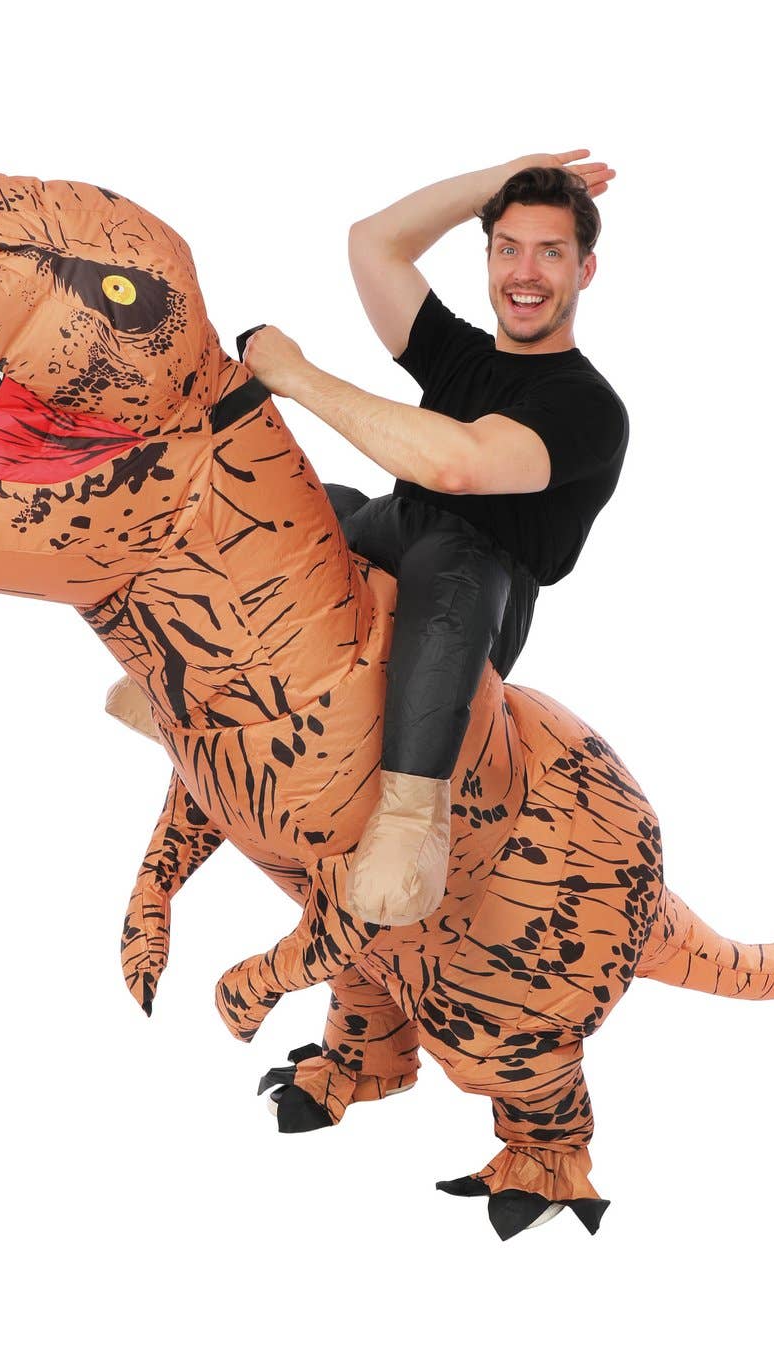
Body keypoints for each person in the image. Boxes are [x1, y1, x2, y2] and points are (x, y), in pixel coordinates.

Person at [242, 150, 628, 927]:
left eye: (550, 253)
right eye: (508, 249)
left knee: (454, 555)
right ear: (487, 261)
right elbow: (372, 244)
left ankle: (411, 821)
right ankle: (208, 679)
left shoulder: (589, 407)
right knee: (321, 504)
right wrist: (501, 180)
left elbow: (458, 466)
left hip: (479, 593)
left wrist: (297, 376)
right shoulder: (460, 356)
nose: (525, 273)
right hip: (398, 527)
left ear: (585, 271)